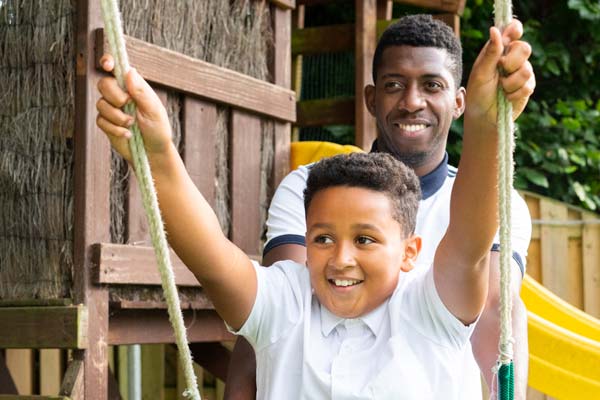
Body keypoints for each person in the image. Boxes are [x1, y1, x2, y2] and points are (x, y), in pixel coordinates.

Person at [97, 15, 534, 399]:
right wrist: (158, 156)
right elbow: (211, 254)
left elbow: (470, 243)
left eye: (364, 239)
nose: (341, 258)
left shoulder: (430, 308)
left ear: (410, 252)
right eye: (323, 238)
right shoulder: (287, 300)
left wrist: (485, 122)